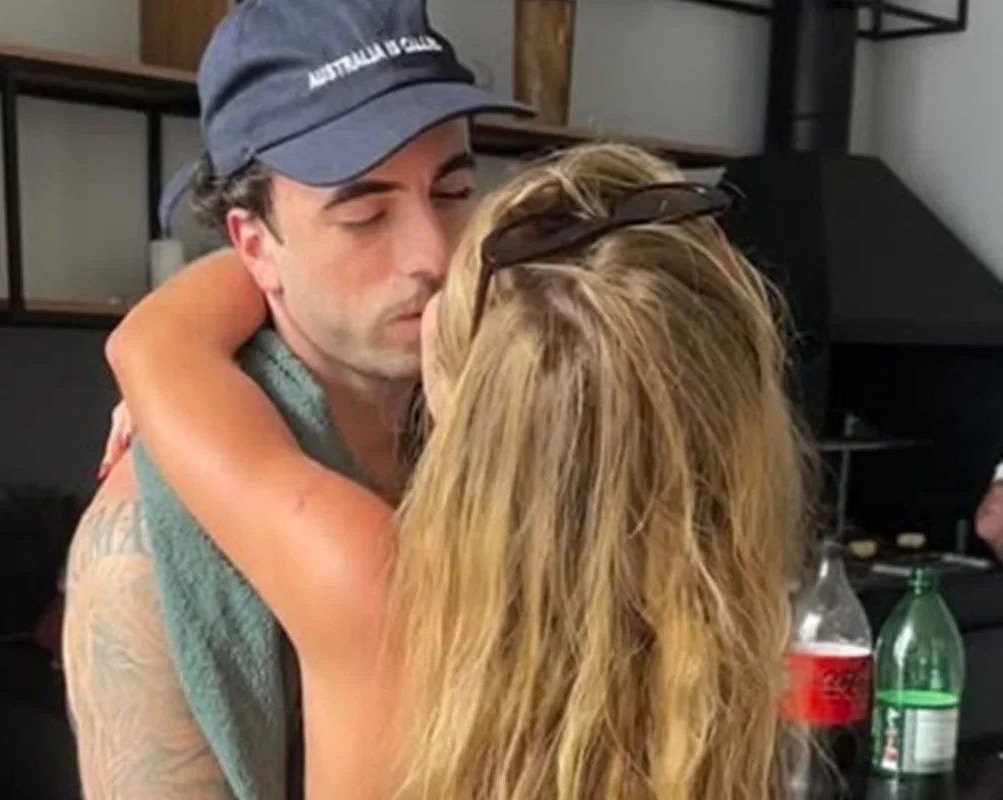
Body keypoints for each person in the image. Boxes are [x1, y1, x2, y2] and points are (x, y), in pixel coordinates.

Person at [104, 142, 813, 799]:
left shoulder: (378, 600)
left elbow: (151, 346)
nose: (430, 260)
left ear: (462, 395)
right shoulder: (731, 669)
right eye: (367, 215)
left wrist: (270, 252)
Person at [60, 0, 528, 796]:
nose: (434, 255)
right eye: (365, 216)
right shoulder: (148, 548)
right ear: (255, 246)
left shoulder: (525, 396)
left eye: (452, 192)